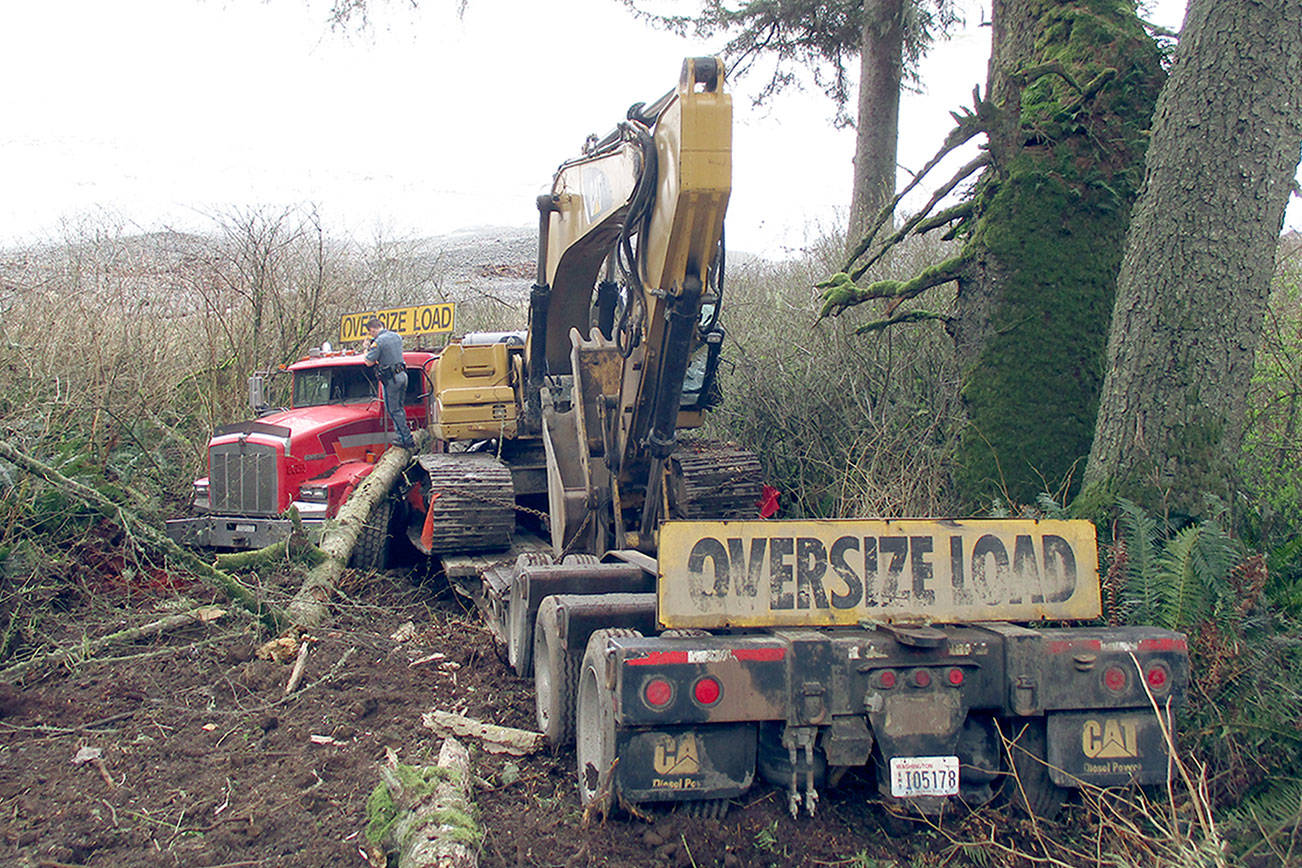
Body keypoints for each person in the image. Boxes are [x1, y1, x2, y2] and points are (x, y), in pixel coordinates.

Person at [361, 317, 416, 449]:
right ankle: (403, 436)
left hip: (392, 380)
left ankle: (405, 439)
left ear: (373, 329)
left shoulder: (378, 342)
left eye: (371, 332)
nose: (371, 334)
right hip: (403, 376)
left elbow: (368, 362)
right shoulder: (396, 336)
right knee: (399, 408)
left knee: (393, 409)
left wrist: (366, 349)